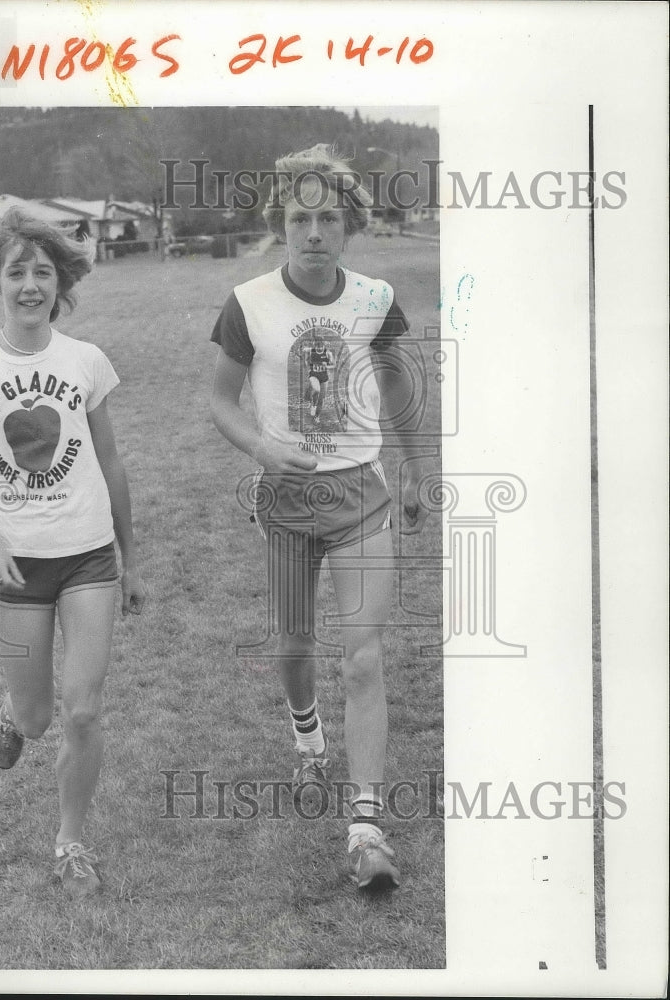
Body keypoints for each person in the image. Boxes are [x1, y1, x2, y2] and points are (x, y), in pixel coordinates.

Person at [210, 144, 429, 890]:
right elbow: (217, 401)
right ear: (280, 223)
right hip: (285, 500)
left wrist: (415, 470)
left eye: (327, 217)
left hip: (360, 495)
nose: (312, 231)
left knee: (363, 656)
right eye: (298, 217)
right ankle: (307, 735)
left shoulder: (374, 298)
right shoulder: (247, 303)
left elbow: (398, 389)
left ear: (349, 225)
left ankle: (365, 829)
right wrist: (261, 448)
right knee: (294, 642)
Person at [0, 207, 144, 898]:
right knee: (38, 717)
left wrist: (129, 556)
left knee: (83, 710)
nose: (30, 285)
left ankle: (70, 842)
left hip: (88, 556)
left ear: (61, 286)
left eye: (43, 272)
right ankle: (10, 713)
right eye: (17, 271)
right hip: (19, 563)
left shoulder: (85, 361)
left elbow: (112, 460)